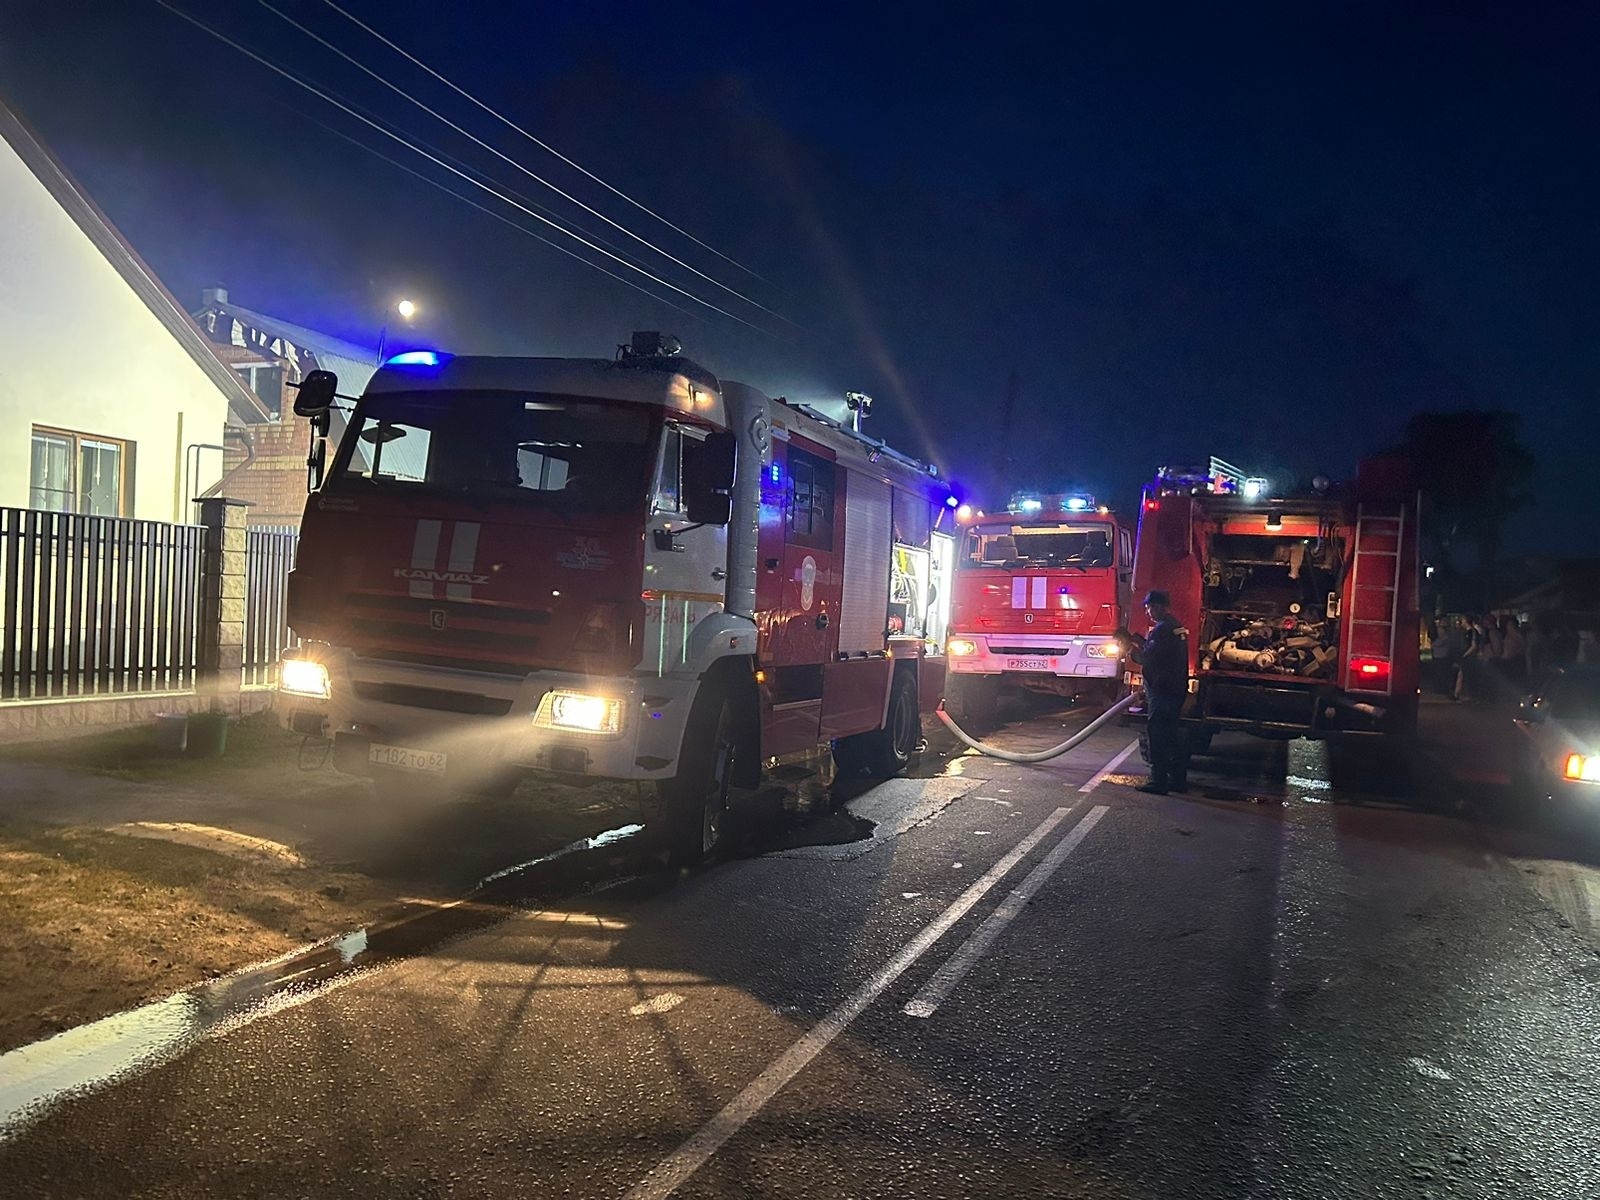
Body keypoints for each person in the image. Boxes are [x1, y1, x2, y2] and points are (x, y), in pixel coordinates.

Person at [1121, 590, 1191, 795]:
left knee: (1158, 736)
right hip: (1175, 689)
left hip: (1162, 691)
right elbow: (1157, 651)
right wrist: (1137, 639)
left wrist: (1128, 648)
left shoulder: (1161, 630)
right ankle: (1178, 780)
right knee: (1172, 735)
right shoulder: (1175, 627)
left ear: (1159, 606)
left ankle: (1158, 781)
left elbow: (1147, 658)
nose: (1147, 611)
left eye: (1149, 607)